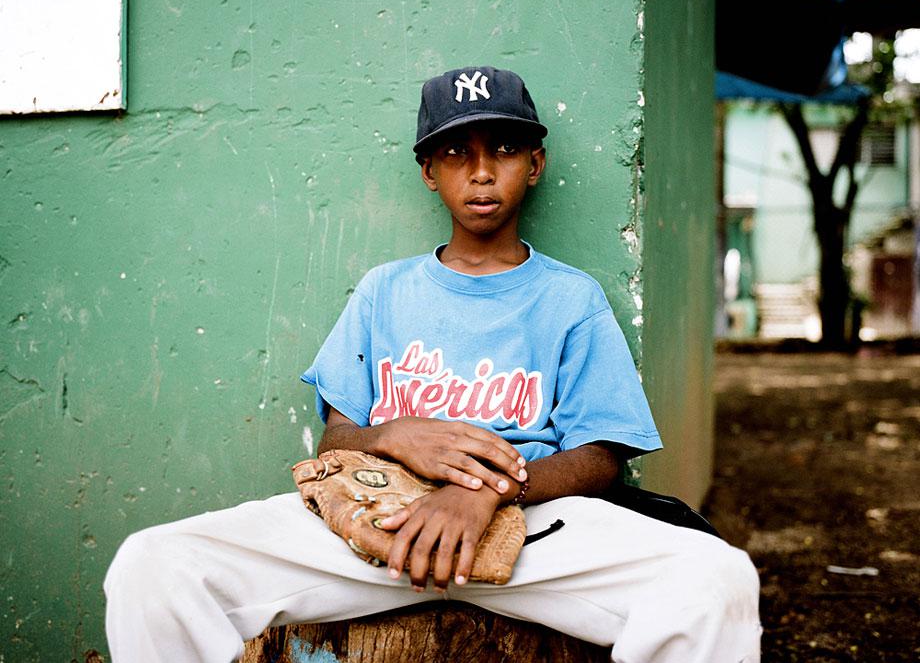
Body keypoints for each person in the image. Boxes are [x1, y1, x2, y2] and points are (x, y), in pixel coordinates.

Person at [104, 66, 762, 662]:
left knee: (718, 578)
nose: (481, 171)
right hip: (376, 531)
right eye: (456, 153)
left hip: (531, 535)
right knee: (154, 564)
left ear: (535, 163)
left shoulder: (570, 298)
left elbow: (601, 454)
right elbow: (337, 437)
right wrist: (391, 435)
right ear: (428, 171)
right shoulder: (384, 291)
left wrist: (488, 488)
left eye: (503, 150)